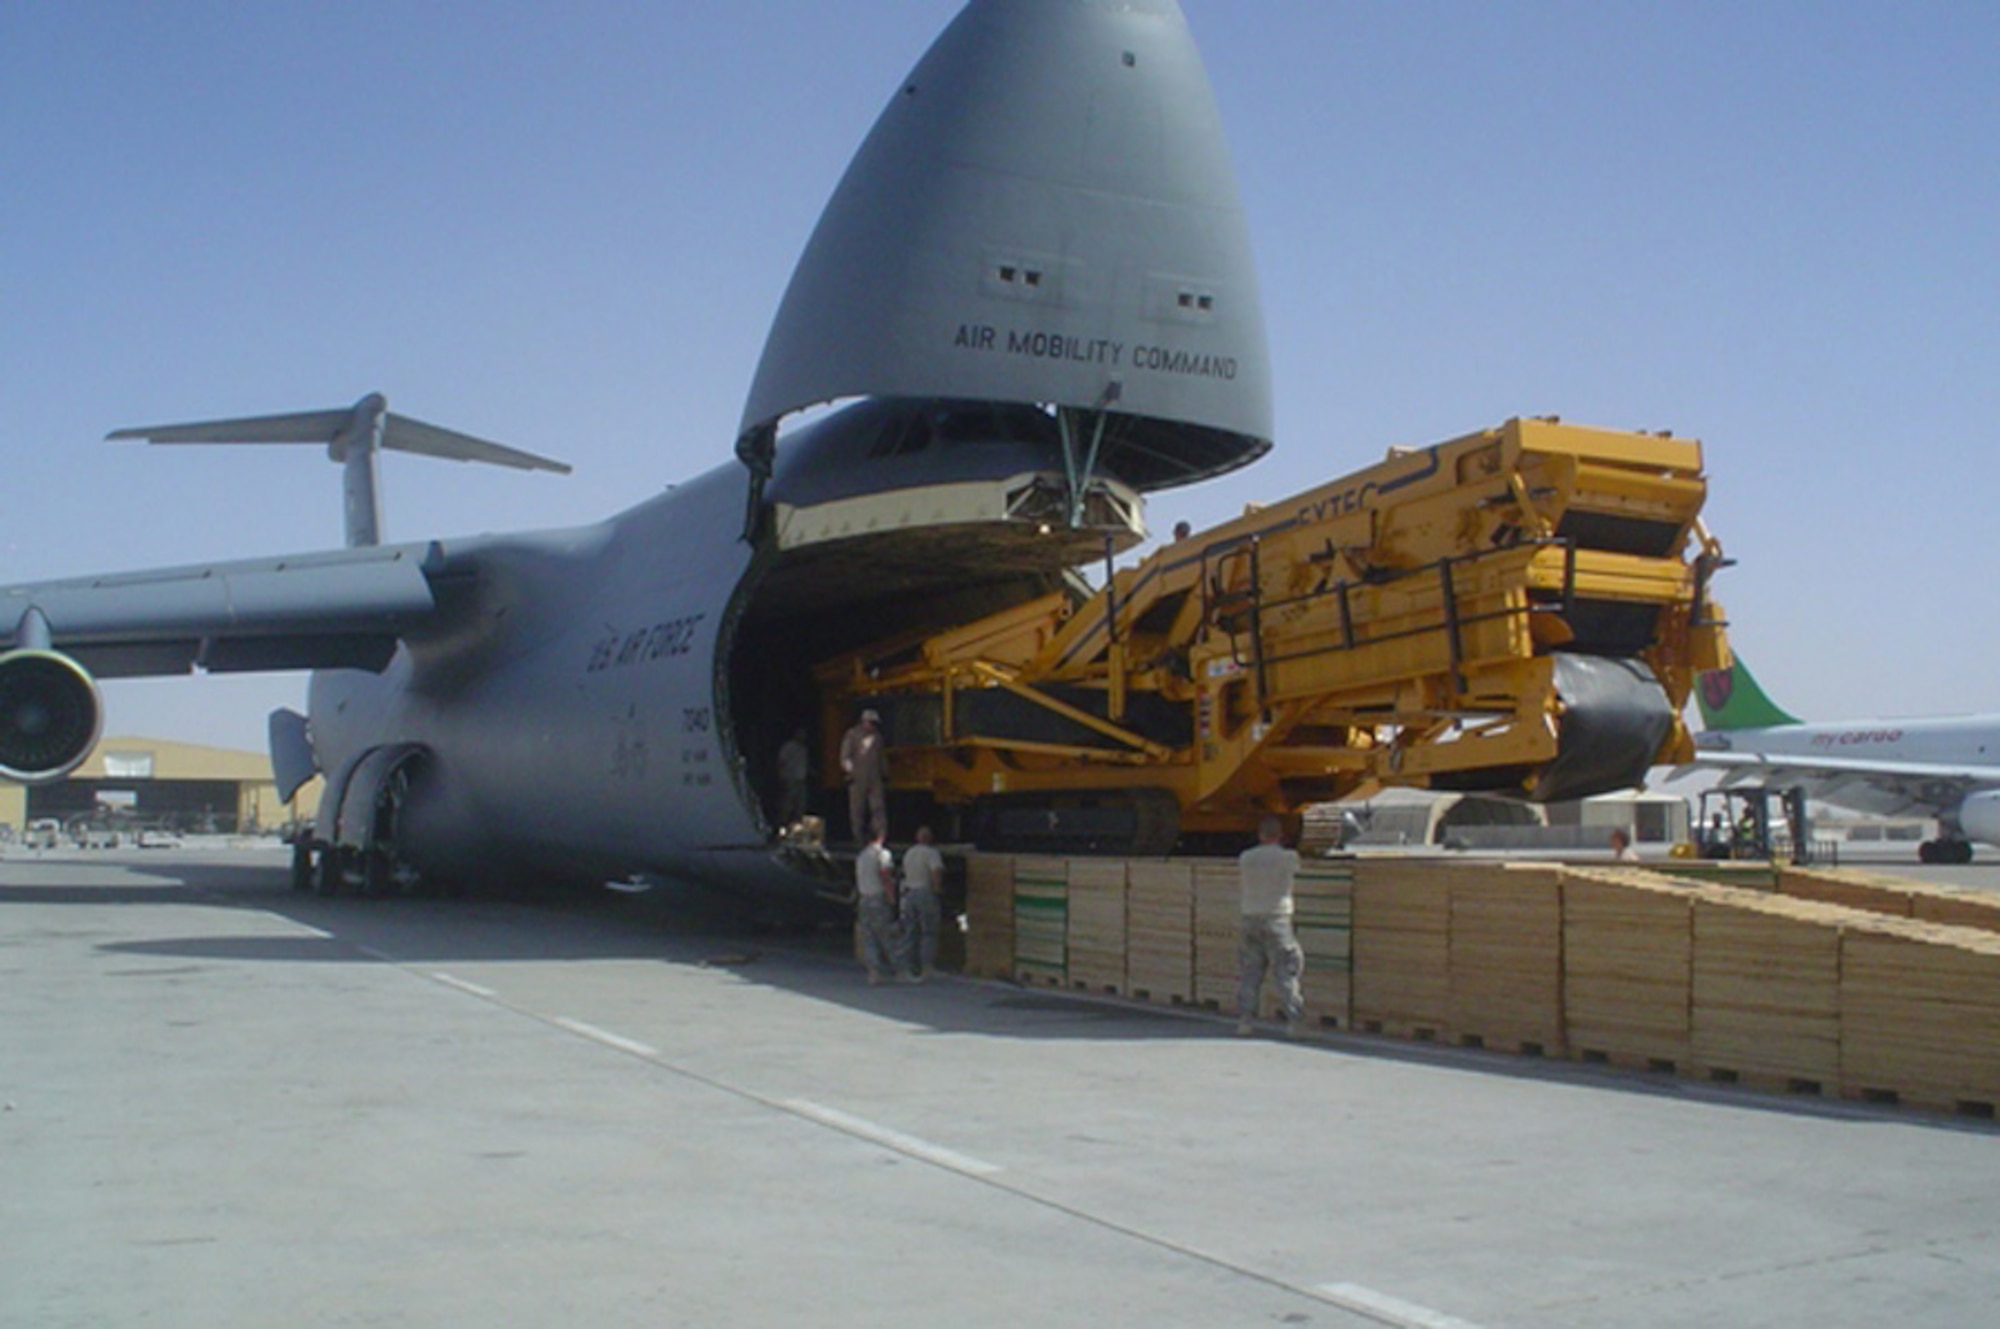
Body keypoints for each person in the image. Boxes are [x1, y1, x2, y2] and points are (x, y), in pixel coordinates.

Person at [1236, 814, 1307, 1037]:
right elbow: (1297, 870)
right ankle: (1295, 1023)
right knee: (1286, 972)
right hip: (1277, 918)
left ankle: (1245, 1022)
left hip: (1250, 917)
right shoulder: (1288, 857)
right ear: (1280, 835)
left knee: (1251, 973)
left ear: (1260, 834)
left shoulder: (1246, 857)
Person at [898, 825, 947, 981]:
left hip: (910, 892)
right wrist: (938, 890)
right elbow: (935, 872)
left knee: (910, 931)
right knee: (928, 932)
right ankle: (927, 967)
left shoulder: (909, 853)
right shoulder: (932, 853)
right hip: (925, 893)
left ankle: (905, 968)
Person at [853, 826, 898, 986]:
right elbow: (885, 876)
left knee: (869, 937)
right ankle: (898, 969)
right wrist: (892, 897)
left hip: (864, 898)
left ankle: (873, 972)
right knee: (886, 934)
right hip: (878, 898)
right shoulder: (882, 854)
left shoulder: (861, 856)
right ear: (881, 837)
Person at [840, 709, 888, 844]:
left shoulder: (878, 738)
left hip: (874, 777)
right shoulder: (852, 735)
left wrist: (885, 773)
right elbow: (845, 757)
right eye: (871, 723)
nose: (873, 726)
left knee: (878, 807)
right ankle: (858, 837)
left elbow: (881, 758)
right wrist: (850, 771)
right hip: (857, 778)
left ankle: (880, 835)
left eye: (875, 724)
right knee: (857, 809)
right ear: (863, 722)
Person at [776, 727, 810, 828]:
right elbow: (781, 761)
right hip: (790, 779)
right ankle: (781, 827)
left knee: (800, 805)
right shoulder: (788, 746)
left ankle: (796, 829)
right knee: (787, 805)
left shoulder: (803, 749)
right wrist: (781, 775)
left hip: (801, 780)